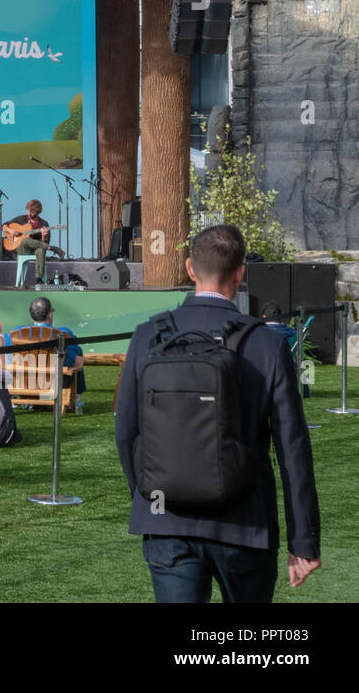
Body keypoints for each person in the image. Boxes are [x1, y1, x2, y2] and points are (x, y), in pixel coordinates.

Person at [115, 224, 321, 603]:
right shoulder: (267, 344)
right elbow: (292, 448)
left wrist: (152, 496)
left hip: (166, 519)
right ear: (241, 273)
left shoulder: (147, 335)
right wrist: (303, 541)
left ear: (191, 269)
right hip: (245, 524)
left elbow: (126, 430)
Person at [26, 296, 86, 402]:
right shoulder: (64, 333)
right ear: (50, 314)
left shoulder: (18, 333)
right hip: (56, 382)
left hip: (27, 382)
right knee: (77, 359)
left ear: (32, 316)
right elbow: (74, 358)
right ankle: (77, 396)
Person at [2, 199, 63, 282]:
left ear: (38, 212)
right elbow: (4, 226)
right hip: (22, 249)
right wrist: (11, 231)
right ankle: (52, 248)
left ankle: (39, 279)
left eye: (32, 212)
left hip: (35, 250)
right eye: (28, 211)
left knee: (41, 251)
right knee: (25, 240)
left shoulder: (44, 224)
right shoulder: (22, 219)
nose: (29, 214)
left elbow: (44, 243)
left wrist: (43, 236)